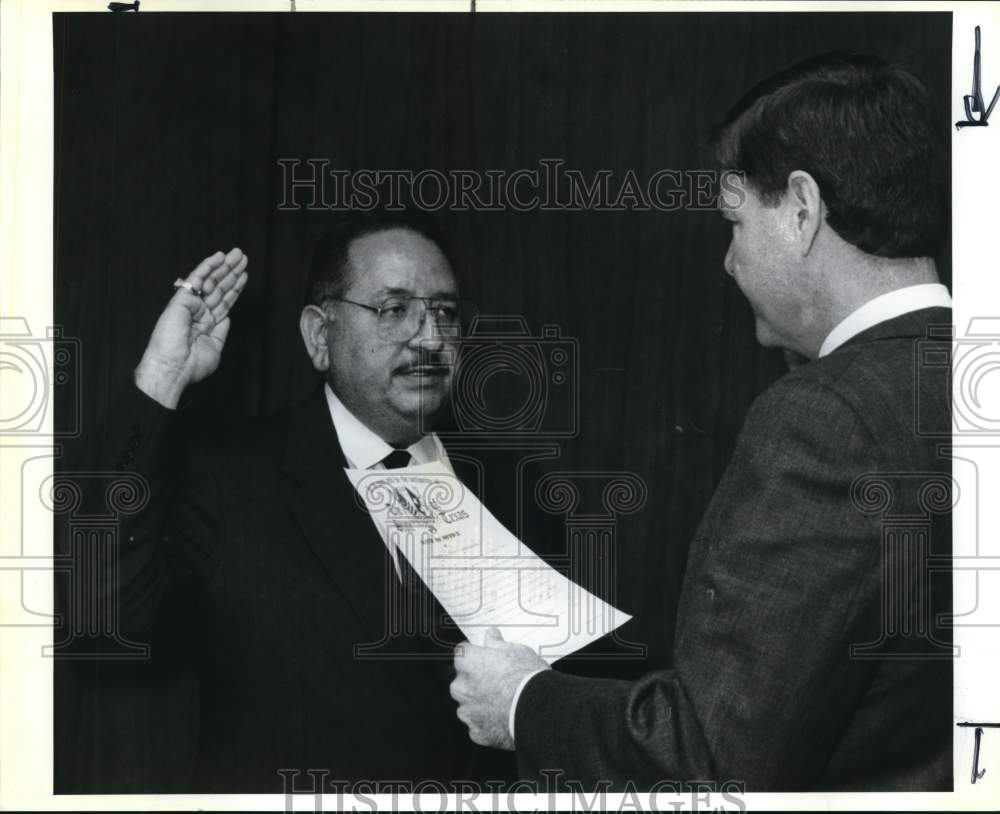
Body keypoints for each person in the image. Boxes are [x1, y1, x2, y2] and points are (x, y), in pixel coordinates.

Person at [451, 51, 953, 791]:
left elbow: (712, 761)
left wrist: (522, 701)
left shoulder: (824, 418)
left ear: (804, 211)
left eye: (736, 222)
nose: (727, 261)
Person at [101, 211, 516, 791]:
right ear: (321, 336)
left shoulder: (510, 484)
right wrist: (163, 375)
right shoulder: (228, 478)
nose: (430, 338)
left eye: (444, 312)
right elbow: (105, 624)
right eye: (394, 310)